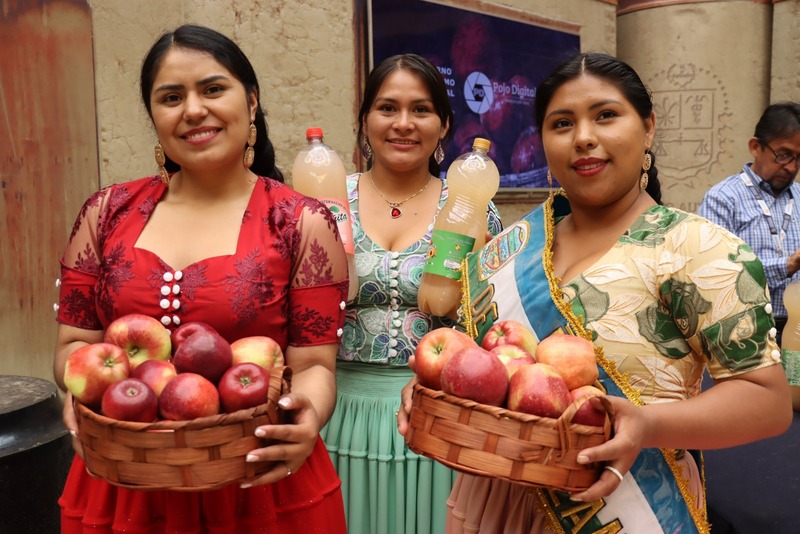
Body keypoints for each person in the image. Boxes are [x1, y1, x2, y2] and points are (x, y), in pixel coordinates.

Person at [398, 52, 792, 533]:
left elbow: (767, 403)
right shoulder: (510, 246)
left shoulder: (698, 250)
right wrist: (435, 396)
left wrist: (647, 427)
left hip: (623, 506)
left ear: (647, 127)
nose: (583, 137)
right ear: (543, 142)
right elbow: (483, 367)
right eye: (562, 123)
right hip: (492, 500)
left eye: (606, 115)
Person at [53, 24, 348, 533]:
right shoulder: (106, 214)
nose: (193, 110)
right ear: (154, 116)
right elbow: (74, 345)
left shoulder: (302, 221)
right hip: (125, 485)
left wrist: (308, 420)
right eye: (171, 97)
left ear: (251, 102)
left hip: (259, 480)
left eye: (213, 89)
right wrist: (75, 396)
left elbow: (315, 363)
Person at [319, 53, 502, 534]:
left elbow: (494, 329)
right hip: (337, 412)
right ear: (364, 121)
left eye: (421, 110)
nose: (403, 124)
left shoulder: (472, 204)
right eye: (387, 108)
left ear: (444, 125)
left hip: (439, 418)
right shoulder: (325, 202)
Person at [698, 102, 800, 410]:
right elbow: (715, 271)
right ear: (756, 146)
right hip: (746, 334)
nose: (792, 167)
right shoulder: (722, 199)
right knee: (755, 420)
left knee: (794, 413)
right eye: (783, 155)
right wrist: (786, 265)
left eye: (799, 158)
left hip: (795, 330)